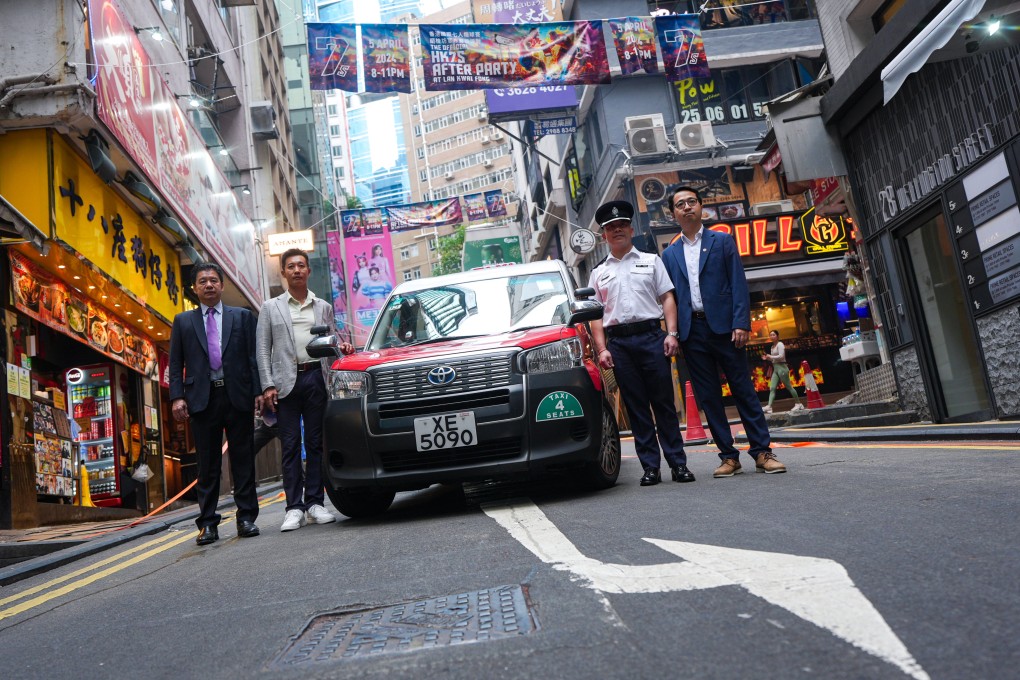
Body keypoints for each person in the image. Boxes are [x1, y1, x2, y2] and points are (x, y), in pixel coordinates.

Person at [661, 187, 787, 477]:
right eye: (680, 204)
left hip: (726, 329)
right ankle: (729, 457)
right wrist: (675, 334)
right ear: (673, 214)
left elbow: (738, 284)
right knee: (708, 397)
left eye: (692, 201)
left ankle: (762, 452)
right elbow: (670, 298)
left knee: (743, 390)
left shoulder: (723, 241)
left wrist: (741, 322)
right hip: (693, 332)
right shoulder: (669, 254)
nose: (687, 207)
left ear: (701, 207)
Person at [588, 200, 694, 487]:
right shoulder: (598, 273)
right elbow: (595, 315)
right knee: (636, 408)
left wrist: (671, 334)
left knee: (663, 404)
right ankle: (650, 468)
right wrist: (602, 349)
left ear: (631, 229)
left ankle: (678, 464)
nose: (617, 229)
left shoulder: (651, 260)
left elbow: (667, 297)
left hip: (651, 338)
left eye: (621, 224)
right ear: (604, 236)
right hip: (619, 345)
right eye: (611, 227)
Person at [256, 249, 355, 532]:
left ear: (308, 271)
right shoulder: (270, 307)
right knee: (289, 447)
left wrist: (342, 347)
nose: (297, 270)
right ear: (283, 273)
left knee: (315, 444)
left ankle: (315, 503)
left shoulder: (322, 305)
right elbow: (263, 350)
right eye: (291, 266)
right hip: (285, 383)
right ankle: (294, 508)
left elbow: (331, 341)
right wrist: (268, 385)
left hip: (316, 379)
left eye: (301, 265)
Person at [168, 262, 262, 545]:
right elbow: (175, 364)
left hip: (237, 396)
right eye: (202, 281)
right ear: (194, 288)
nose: (208, 285)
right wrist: (176, 397)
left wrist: (257, 392)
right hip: (202, 400)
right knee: (207, 466)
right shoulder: (183, 321)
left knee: (242, 460)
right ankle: (207, 524)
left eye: (213, 280)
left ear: (222, 286)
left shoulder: (243, 317)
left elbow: (253, 358)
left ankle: (246, 518)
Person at [762, 330, 804, 413]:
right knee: (772, 388)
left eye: (773, 335)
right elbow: (774, 359)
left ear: (777, 336)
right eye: (770, 335)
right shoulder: (772, 347)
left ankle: (799, 404)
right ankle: (769, 406)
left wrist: (771, 356)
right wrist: (767, 358)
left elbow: (781, 356)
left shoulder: (780, 344)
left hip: (782, 367)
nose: (772, 336)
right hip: (776, 368)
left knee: (789, 386)